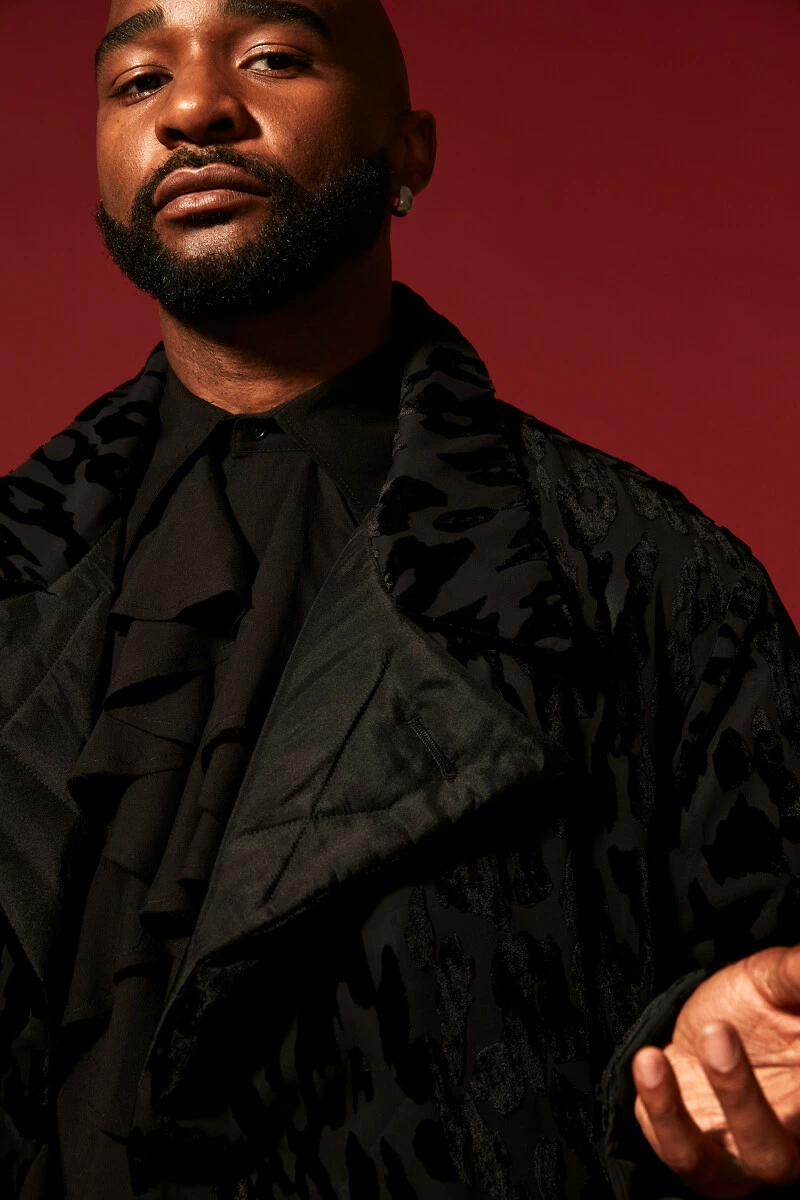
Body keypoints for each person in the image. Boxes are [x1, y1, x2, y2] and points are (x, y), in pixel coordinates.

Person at [1, 0, 799, 1196]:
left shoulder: (654, 581)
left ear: (408, 151)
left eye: (271, 56)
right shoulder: (17, 573)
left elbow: (760, 1016)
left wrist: (700, 1071)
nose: (191, 106)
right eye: (134, 81)